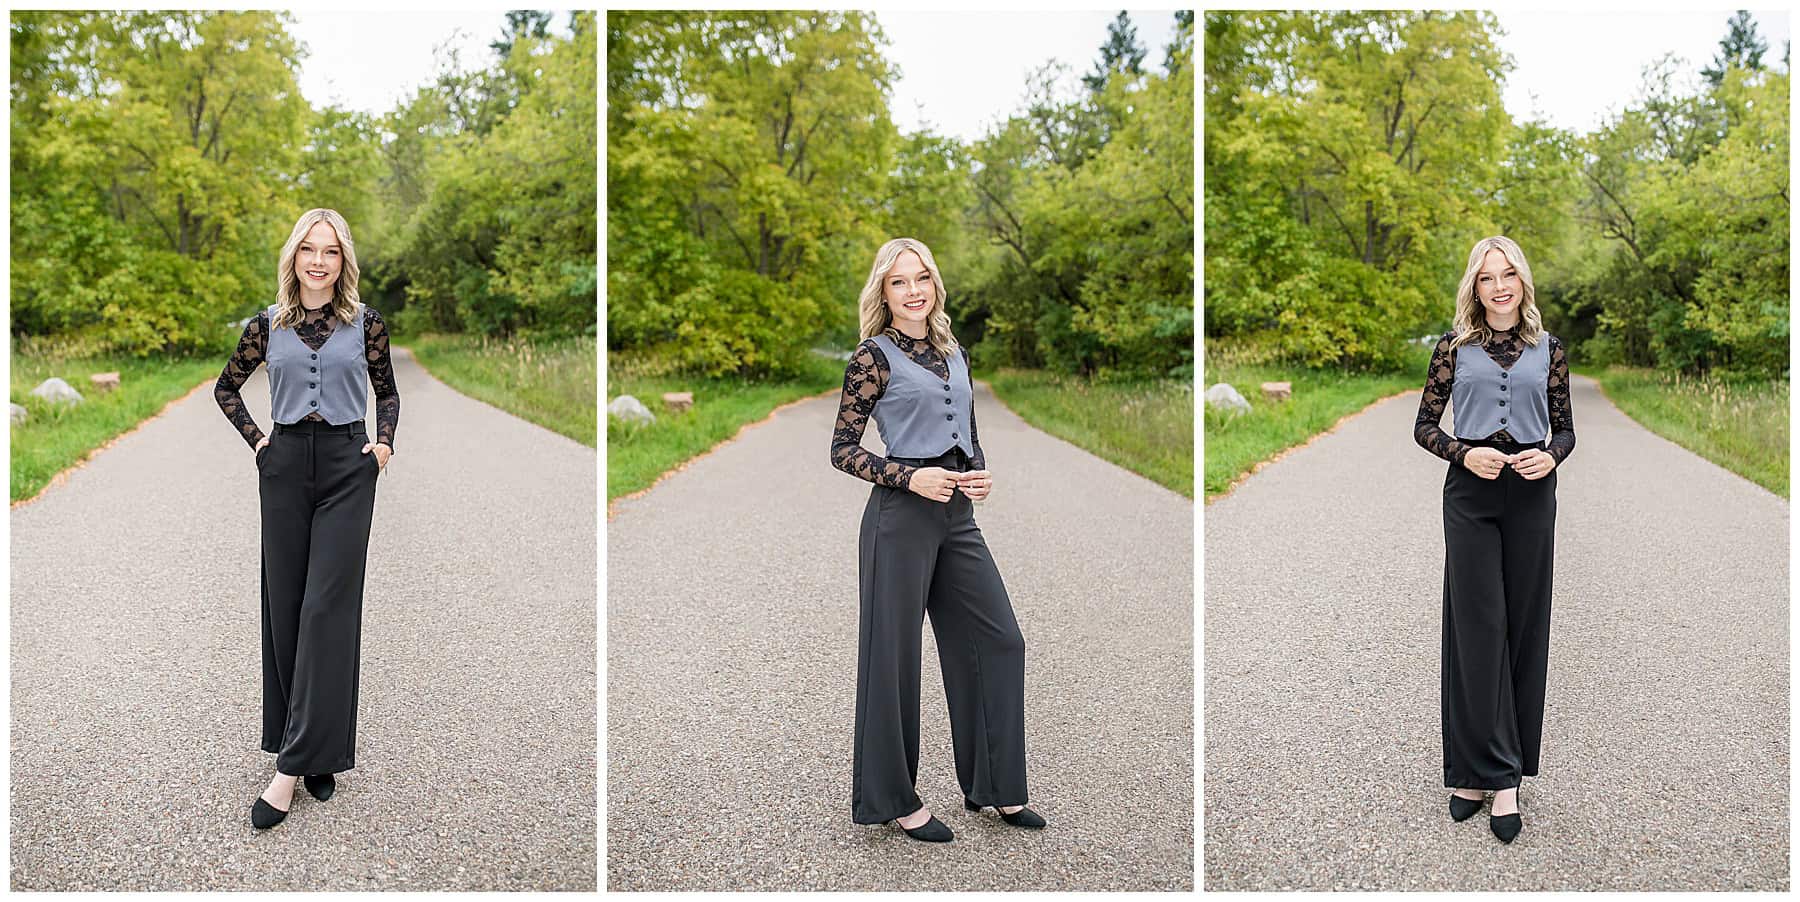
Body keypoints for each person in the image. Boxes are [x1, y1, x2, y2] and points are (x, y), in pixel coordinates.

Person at [829, 237, 1046, 843]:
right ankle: (896, 799)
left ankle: (996, 787)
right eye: (900, 282)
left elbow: (968, 427)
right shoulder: (871, 357)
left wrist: (977, 469)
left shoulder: (954, 350)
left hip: (957, 517)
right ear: (884, 291)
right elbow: (842, 450)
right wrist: (908, 474)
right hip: (899, 517)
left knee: (999, 640)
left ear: (935, 284)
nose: (914, 290)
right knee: (892, 661)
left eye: (921, 277)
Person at [214, 208, 400, 830]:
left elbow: (387, 389)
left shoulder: (366, 324)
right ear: (293, 258)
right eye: (308, 251)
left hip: (350, 469)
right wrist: (261, 444)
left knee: (328, 610)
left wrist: (383, 444)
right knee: (288, 608)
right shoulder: (264, 327)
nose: (318, 261)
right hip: (286, 466)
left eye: (331, 252)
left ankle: (288, 772)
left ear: (343, 261)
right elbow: (226, 389)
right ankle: (316, 751)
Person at [1414, 235, 1575, 844]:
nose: (1499, 287)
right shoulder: (1451, 350)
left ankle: (1501, 776)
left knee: (1524, 627)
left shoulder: (1550, 350)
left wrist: (1551, 458)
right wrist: (1463, 451)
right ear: (1474, 288)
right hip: (1471, 495)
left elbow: (1566, 430)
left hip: (1532, 496)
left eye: (1508, 275)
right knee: (1477, 628)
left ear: (1522, 282)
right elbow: (1424, 426)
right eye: (1487, 278)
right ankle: (1480, 773)